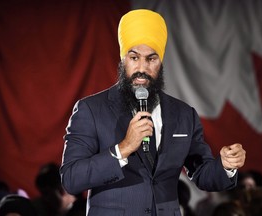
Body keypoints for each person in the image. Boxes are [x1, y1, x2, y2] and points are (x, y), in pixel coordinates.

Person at [60, 9, 246, 216]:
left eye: (151, 59)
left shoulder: (183, 114)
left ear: (161, 62)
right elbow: (71, 179)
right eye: (134, 57)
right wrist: (122, 149)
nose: (142, 68)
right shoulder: (91, 109)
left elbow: (203, 175)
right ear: (123, 59)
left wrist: (226, 166)